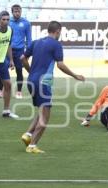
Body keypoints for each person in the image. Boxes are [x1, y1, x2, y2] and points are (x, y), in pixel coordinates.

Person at [20, 21, 85, 153]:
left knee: (41, 110)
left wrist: (31, 72)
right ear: (58, 31)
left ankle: (28, 134)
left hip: (31, 81)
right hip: (44, 83)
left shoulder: (36, 42)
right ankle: (32, 146)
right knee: (45, 117)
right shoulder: (56, 45)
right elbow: (60, 65)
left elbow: (22, 58)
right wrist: (75, 75)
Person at [0, 4, 32, 99]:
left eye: (19, 11)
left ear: (21, 12)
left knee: (19, 70)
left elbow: (29, 39)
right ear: (12, 12)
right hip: (6, 50)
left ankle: (19, 92)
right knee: (2, 70)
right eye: (15, 11)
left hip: (20, 51)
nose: (17, 13)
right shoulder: (8, 22)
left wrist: (28, 53)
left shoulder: (26, 23)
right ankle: (0, 92)